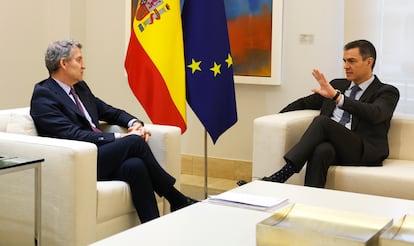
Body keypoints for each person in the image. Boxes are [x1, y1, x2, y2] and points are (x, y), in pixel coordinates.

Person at [30, 39, 197, 223]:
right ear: (63, 63)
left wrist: (134, 123)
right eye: (79, 60)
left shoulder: (80, 88)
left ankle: (153, 227)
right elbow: (73, 135)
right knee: (134, 142)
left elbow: (109, 111)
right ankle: (177, 199)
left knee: (135, 166)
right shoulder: (43, 96)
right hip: (78, 161)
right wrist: (122, 137)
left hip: (99, 154)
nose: (84, 66)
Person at [238, 39, 400, 188]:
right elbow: (303, 103)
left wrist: (338, 98)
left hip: (364, 151)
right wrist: (275, 118)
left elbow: (376, 113)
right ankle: (310, 203)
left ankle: (281, 176)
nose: (346, 66)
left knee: (322, 121)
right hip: (337, 148)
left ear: (369, 62)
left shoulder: (387, 91)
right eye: (344, 61)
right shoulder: (337, 84)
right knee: (322, 150)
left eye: (352, 61)